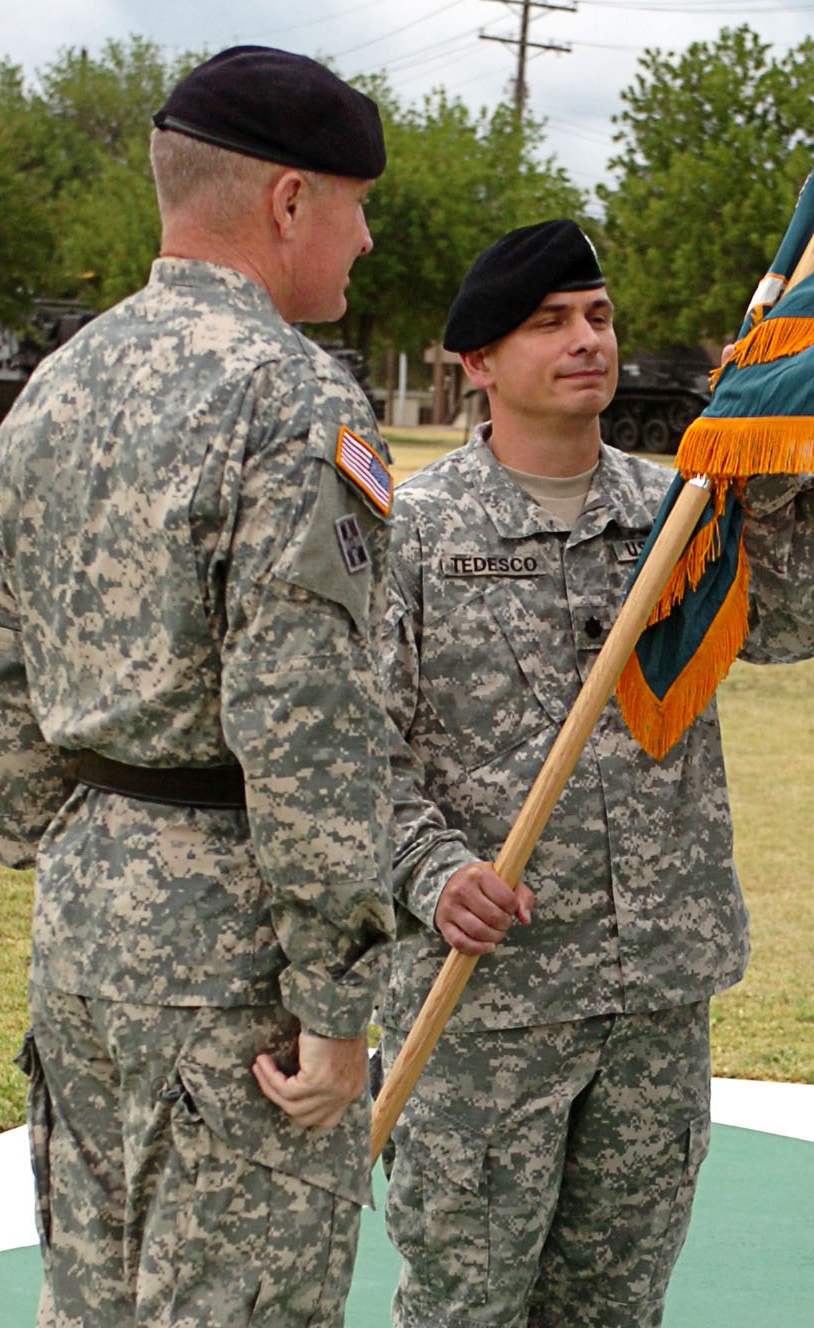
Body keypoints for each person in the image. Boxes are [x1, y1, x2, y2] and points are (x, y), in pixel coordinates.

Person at [0, 45, 396, 1328]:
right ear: (286, 201)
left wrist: (67, 848)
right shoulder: (291, 396)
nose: (366, 241)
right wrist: (335, 1004)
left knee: (90, 1297)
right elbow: (304, 716)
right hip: (234, 955)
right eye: (357, 205)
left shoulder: (55, 386)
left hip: (88, 921)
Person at [378, 220, 814, 1328]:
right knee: (463, 1304)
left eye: (599, 314)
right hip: (486, 1004)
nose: (587, 339)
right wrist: (434, 872)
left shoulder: (679, 509)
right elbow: (348, 753)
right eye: (548, 322)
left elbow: (786, 624)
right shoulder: (411, 534)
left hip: (652, 995)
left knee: (615, 1307)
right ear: (474, 362)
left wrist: (768, 476)